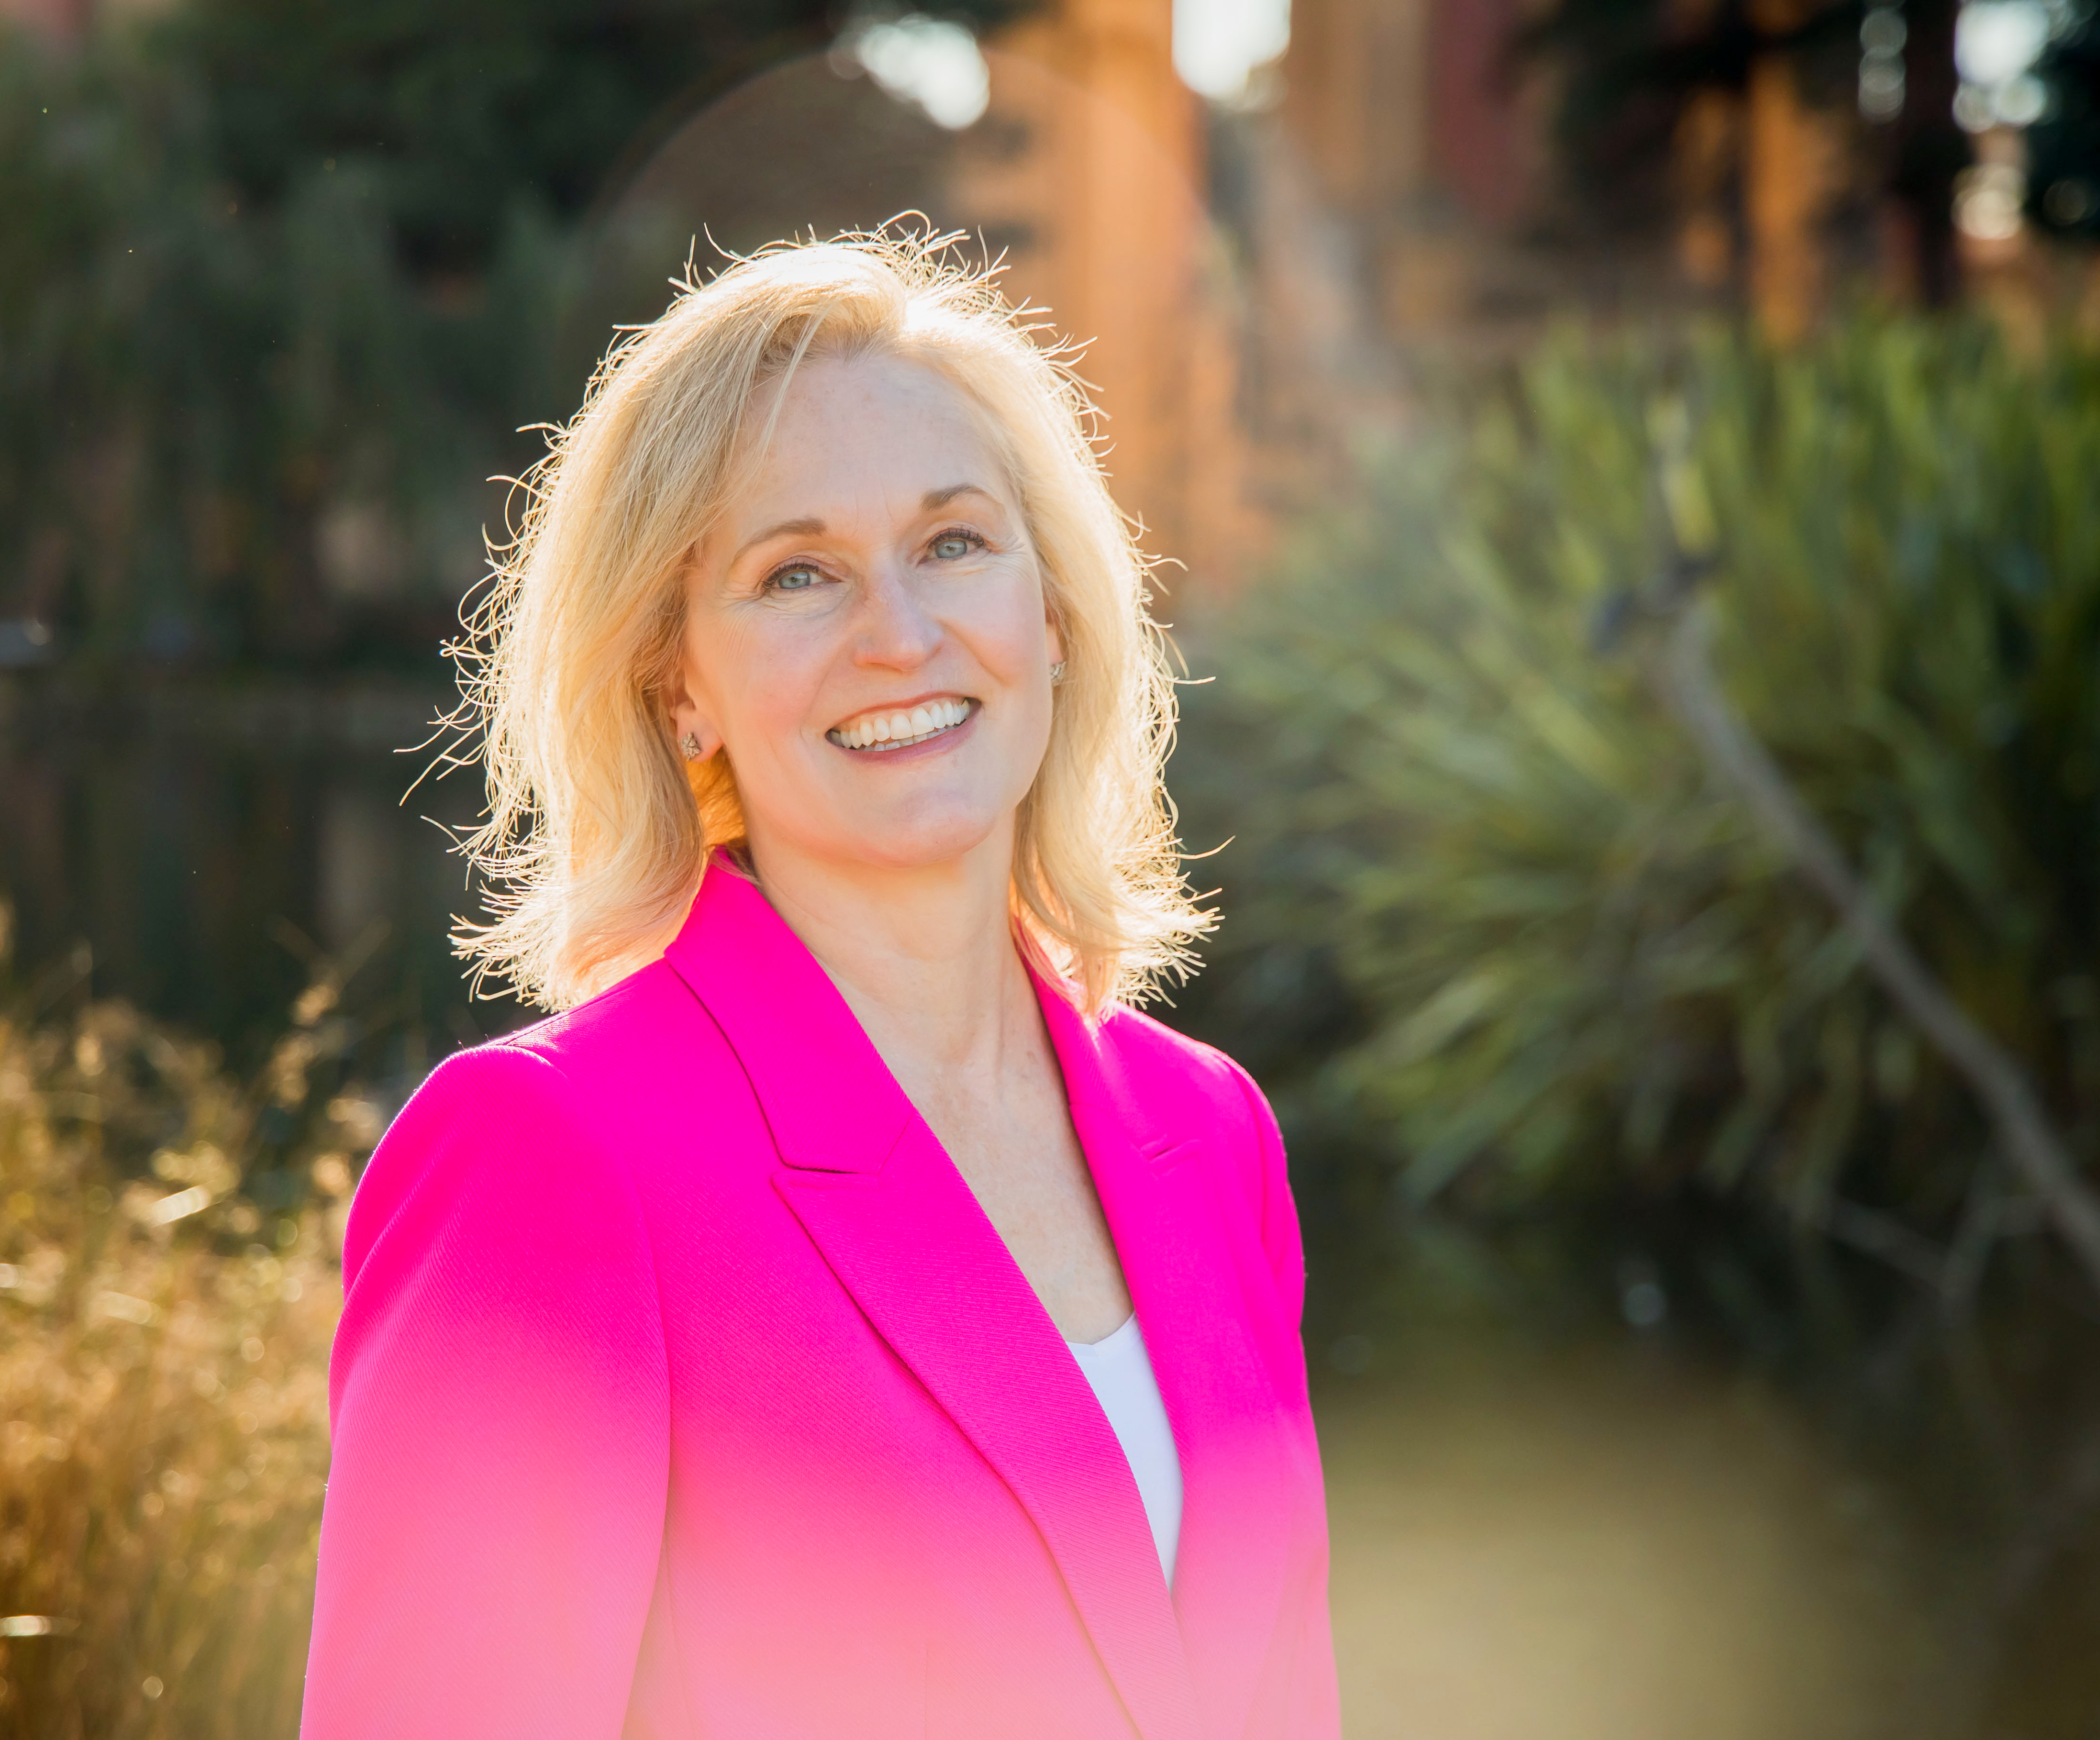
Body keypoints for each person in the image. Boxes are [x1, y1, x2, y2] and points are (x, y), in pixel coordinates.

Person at [300, 232, 1336, 1739]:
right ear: (680, 688)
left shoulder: (1210, 1131)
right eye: (798, 574)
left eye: (955, 543)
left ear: (1052, 614)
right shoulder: (553, 1154)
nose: (900, 636)